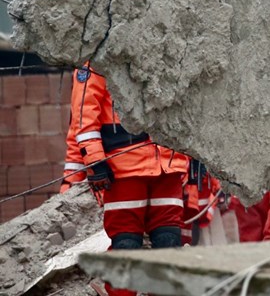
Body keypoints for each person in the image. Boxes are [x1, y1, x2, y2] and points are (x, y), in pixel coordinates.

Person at [71, 63, 189, 296]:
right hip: (123, 170)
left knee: (169, 243)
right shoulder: (95, 61)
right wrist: (95, 160)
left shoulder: (162, 49)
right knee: (126, 244)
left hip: (167, 166)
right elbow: (84, 114)